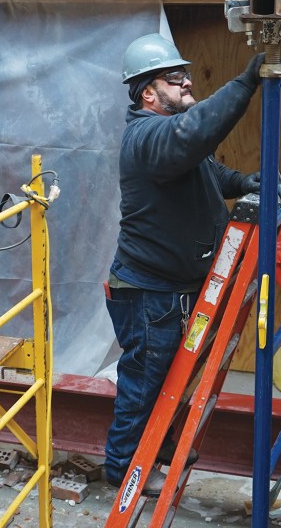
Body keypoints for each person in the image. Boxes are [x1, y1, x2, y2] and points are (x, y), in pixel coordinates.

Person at [104, 33, 265, 497]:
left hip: (173, 287)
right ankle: (123, 468)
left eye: (186, 76)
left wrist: (242, 181)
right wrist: (245, 82)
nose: (188, 83)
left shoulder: (172, 142)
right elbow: (193, 134)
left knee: (171, 377)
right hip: (149, 293)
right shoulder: (149, 136)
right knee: (144, 384)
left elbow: (208, 171)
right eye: (176, 80)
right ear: (148, 93)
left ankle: (158, 447)